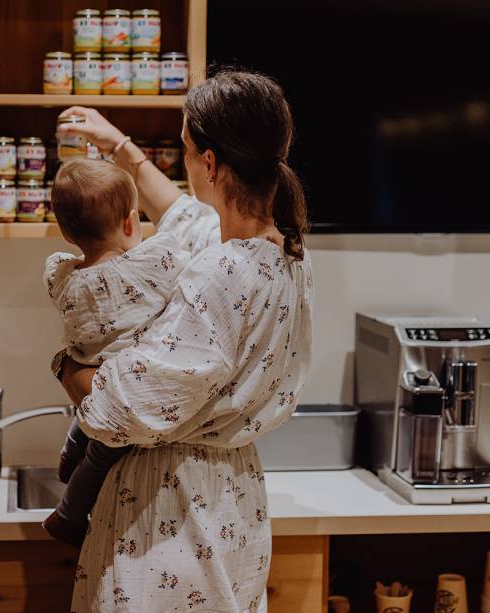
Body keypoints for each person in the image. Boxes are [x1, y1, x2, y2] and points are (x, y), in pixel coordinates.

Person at [53, 69, 315, 612]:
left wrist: (66, 369)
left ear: (211, 164)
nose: (186, 160)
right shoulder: (284, 249)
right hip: (233, 502)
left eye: (187, 149)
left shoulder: (219, 271)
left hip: (172, 514)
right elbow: (181, 214)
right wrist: (120, 147)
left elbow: (121, 409)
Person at [41, 158, 189, 547]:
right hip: (119, 382)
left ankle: (68, 453)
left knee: (87, 415)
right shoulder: (146, 267)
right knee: (104, 451)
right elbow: (177, 255)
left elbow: (56, 267)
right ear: (129, 222)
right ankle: (68, 516)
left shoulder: (66, 279)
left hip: (88, 371)